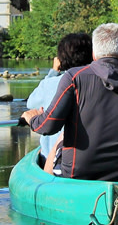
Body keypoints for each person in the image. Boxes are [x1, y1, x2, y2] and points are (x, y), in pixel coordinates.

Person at [20, 23, 118, 181]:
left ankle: (47, 189)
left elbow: (46, 126)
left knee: (61, 138)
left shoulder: (74, 78)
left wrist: (31, 118)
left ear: (94, 55)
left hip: (76, 175)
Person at [25, 32, 92, 173]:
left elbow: (31, 103)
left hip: (52, 158)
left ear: (60, 59)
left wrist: (53, 72)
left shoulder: (50, 84)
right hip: (85, 159)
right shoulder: (96, 83)